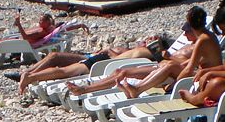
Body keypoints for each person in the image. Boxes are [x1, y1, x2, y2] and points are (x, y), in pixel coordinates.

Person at [66, 6, 221, 97]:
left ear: (192, 25)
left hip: (197, 78)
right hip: (171, 69)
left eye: (186, 27)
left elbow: (188, 69)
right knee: (122, 71)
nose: (184, 33)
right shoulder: (203, 39)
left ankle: (138, 89)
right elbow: (190, 63)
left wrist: (173, 86)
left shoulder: (203, 40)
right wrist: (169, 59)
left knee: (168, 66)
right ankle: (85, 89)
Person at [14, 36, 171, 95]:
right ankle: (30, 76)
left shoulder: (144, 52)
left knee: (62, 70)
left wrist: (110, 52)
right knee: (61, 69)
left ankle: (30, 76)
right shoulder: (136, 51)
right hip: (101, 60)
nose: (147, 39)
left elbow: (122, 59)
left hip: (102, 63)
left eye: (151, 39)